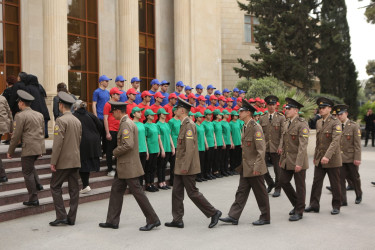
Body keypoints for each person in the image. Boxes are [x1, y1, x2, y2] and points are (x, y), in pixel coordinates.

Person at [99, 102, 160, 231]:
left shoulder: (126, 123)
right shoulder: (128, 122)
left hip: (128, 166)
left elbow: (128, 144)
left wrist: (114, 152)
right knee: (116, 191)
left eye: (113, 112)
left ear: (118, 111)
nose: (112, 115)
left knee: (138, 193)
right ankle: (112, 221)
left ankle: (153, 219)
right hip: (124, 166)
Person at [164, 97, 222, 229]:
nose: (175, 111)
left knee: (192, 192)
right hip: (181, 166)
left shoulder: (189, 125)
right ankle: (177, 219)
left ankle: (214, 212)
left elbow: (189, 149)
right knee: (177, 192)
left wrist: (184, 166)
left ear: (182, 110)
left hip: (187, 166)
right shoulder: (184, 123)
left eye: (177, 108)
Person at [219, 99, 270, 226]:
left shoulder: (255, 127)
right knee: (241, 191)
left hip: (254, 167)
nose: (238, 113)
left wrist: (257, 166)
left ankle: (265, 217)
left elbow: (261, 149)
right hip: (246, 166)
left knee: (260, 193)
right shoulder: (245, 126)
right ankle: (233, 216)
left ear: (248, 113)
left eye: (241, 111)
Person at [7, 90, 45, 206]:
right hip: (38, 146)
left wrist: (10, 151)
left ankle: (33, 198)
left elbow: (16, 135)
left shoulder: (20, 116)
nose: (18, 104)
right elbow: (42, 132)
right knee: (30, 166)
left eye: (18, 102)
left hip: (28, 147)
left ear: (22, 103)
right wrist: (41, 149)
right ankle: (38, 184)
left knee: (27, 172)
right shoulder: (39, 114)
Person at [305, 97, 342, 215]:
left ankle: (336, 206)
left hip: (332, 158)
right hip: (320, 158)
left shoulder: (336, 122)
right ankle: (314, 205)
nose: (321, 110)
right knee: (316, 182)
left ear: (330, 109)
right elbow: (318, 141)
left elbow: (335, 141)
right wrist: (316, 156)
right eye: (320, 108)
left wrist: (327, 156)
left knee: (335, 183)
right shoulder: (319, 122)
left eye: (323, 108)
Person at [49, 92, 82, 226]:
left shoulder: (61, 120)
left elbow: (57, 144)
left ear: (61, 105)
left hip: (63, 161)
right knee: (74, 190)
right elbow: (79, 140)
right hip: (75, 159)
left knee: (55, 186)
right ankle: (71, 218)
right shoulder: (77, 120)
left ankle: (61, 215)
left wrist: (53, 161)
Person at [277, 98, 309, 222]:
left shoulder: (302, 124)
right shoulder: (286, 123)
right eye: (286, 108)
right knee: (283, 181)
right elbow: (284, 141)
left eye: (289, 109)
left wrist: (299, 162)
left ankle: (299, 211)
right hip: (286, 159)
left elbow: (303, 145)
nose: (286, 110)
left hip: (297, 160)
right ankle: (298, 204)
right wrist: (281, 156)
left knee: (300, 186)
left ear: (296, 110)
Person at [334, 104, 362, 205]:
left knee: (355, 178)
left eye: (341, 114)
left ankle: (359, 194)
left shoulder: (354, 126)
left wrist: (357, 158)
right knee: (340, 180)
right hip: (339, 158)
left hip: (351, 158)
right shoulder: (336, 125)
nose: (339, 116)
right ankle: (343, 200)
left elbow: (357, 144)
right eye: (338, 114)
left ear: (346, 113)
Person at [258, 95, 286, 197]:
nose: (271, 106)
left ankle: (278, 188)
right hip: (265, 147)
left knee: (277, 169)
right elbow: (260, 134)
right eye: (269, 104)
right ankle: (270, 183)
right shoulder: (262, 118)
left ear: (276, 105)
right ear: (266, 105)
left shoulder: (281, 117)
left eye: (273, 104)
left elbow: (283, 133)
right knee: (262, 167)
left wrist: (281, 146)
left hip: (276, 147)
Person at [73, 100, 102, 194]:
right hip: (94, 141)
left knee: (83, 163)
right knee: (87, 163)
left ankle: (85, 185)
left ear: (75, 108)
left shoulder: (74, 116)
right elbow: (100, 126)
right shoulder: (90, 115)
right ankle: (85, 184)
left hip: (83, 142)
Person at [22, 74, 51, 138]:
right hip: (44, 112)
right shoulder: (40, 87)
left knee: (35, 134)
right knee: (42, 134)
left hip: (34, 112)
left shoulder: (27, 88)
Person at [103, 87, 122, 177]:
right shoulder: (107, 104)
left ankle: (117, 168)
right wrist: (107, 132)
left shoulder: (118, 104)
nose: (119, 96)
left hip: (118, 130)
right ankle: (110, 169)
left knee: (118, 150)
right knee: (109, 151)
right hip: (111, 130)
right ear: (112, 95)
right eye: (117, 94)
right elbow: (105, 118)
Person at [156, 108, 175, 190]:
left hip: (168, 147)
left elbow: (170, 135)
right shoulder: (157, 124)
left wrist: (173, 146)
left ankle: (163, 181)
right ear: (160, 114)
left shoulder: (167, 124)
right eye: (163, 114)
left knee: (164, 166)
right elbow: (158, 138)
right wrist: (162, 149)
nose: (165, 115)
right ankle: (160, 182)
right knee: (160, 165)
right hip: (162, 147)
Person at [93, 75, 111, 156]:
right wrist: (95, 116)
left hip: (106, 117)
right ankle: (98, 153)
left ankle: (105, 152)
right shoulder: (96, 92)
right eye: (106, 81)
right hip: (99, 116)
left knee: (106, 135)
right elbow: (94, 104)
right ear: (101, 82)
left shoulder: (108, 92)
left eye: (108, 81)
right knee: (98, 136)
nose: (107, 83)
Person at [144, 109, 161, 192]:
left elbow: (158, 138)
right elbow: (145, 139)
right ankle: (148, 184)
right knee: (148, 167)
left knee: (154, 167)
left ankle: (152, 183)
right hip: (150, 148)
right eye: (151, 115)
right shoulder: (145, 126)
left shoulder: (155, 125)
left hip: (155, 148)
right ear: (147, 116)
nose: (153, 116)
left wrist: (158, 148)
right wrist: (147, 150)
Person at [131, 107, 147, 185]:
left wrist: (147, 150)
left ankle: (140, 186)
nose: (140, 113)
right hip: (136, 150)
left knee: (142, 169)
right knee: (135, 170)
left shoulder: (142, 124)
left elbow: (144, 138)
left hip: (143, 149)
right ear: (134, 114)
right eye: (138, 112)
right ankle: (135, 187)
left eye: (140, 112)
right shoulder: (131, 124)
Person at [0, 94, 12, 182]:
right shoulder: (3, 98)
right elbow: (9, 112)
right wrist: (11, 126)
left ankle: (2, 175)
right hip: (2, 126)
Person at [168, 107, 181, 186]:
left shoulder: (180, 121)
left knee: (178, 163)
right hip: (174, 142)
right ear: (175, 112)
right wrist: (172, 146)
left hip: (180, 143)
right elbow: (169, 133)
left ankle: (177, 179)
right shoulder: (171, 121)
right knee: (173, 164)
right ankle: (172, 180)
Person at [202, 109, 216, 180]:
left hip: (212, 143)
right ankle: (205, 173)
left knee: (211, 159)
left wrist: (215, 142)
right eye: (209, 115)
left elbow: (213, 133)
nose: (210, 116)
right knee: (206, 159)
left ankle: (209, 172)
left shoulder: (211, 123)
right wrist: (206, 143)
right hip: (207, 143)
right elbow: (204, 134)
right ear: (206, 115)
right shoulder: (203, 124)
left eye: (211, 115)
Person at [195, 112, 208, 182]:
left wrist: (206, 144)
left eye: (201, 117)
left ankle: (201, 175)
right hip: (198, 146)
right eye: (200, 117)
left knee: (202, 161)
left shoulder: (201, 125)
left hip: (202, 145)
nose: (201, 118)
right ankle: (197, 176)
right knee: (198, 162)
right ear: (196, 118)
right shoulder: (195, 126)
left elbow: (204, 135)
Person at [221, 110, 233, 176]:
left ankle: (226, 169)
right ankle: (222, 170)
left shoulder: (227, 123)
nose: (228, 115)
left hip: (228, 141)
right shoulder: (221, 123)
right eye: (227, 114)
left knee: (226, 156)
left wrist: (231, 142)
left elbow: (230, 133)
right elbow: (222, 133)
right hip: (224, 141)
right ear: (224, 115)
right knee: (223, 157)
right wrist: (223, 142)